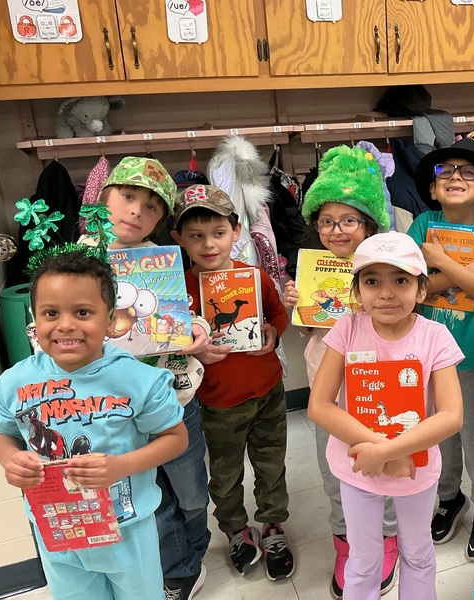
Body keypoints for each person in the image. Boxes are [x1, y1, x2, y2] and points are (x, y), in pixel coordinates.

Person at [0, 248, 188, 600]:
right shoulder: (13, 382)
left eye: (83, 312)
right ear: (35, 318)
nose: (65, 325)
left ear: (110, 319)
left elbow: (175, 438)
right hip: (55, 527)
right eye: (51, 313)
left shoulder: (138, 380)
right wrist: (11, 459)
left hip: (127, 529)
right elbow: (4, 434)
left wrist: (120, 466)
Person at [308, 231, 465, 600]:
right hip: (359, 466)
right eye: (372, 281)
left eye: (401, 280)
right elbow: (320, 405)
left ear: (422, 289)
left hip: (415, 470)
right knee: (363, 559)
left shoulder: (435, 337)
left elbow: (451, 416)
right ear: (357, 290)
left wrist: (390, 452)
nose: (386, 293)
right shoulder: (347, 329)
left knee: (418, 554)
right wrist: (382, 450)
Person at [89, 156, 212, 600]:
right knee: (148, 494)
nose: (136, 211)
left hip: (174, 397)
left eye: (151, 206)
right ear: (104, 197)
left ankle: (195, 548)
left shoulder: (160, 261)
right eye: (127, 196)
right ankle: (178, 567)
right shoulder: (75, 261)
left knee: (191, 491)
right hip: (114, 408)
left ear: (161, 219)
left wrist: (197, 328)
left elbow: (184, 314)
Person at [282, 146, 399, 597]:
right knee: (334, 469)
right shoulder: (313, 265)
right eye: (327, 221)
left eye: (349, 220)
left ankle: (386, 536)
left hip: (378, 386)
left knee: (383, 463)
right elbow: (311, 328)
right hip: (327, 391)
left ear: (369, 224)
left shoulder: (388, 268)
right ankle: (346, 540)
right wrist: (298, 305)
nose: (337, 230)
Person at [171, 184, 295, 582]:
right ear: (178, 238)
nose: (209, 244)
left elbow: (278, 316)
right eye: (196, 235)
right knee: (224, 474)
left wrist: (274, 333)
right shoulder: (177, 292)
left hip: (268, 390)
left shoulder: (254, 277)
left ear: (236, 231)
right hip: (216, 402)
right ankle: (236, 530)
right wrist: (193, 352)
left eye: (218, 233)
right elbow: (167, 350)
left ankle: (273, 525)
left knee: (271, 463)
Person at [407, 138, 474, 561]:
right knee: (439, 437)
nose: (455, 177)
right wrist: (460, 274)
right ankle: (450, 498)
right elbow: (409, 289)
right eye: (444, 171)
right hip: (426, 360)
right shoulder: (421, 224)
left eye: (468, 172)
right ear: (433, 188)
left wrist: (440, 262)